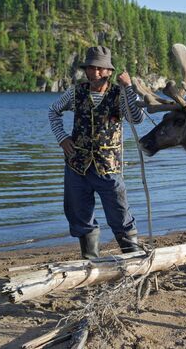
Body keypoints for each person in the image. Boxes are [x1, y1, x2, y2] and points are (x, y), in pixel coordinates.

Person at [48, 45, 144, 259]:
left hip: (109, 167)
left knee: (120, 214)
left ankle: (135, 260)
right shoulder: (75, 92)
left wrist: (129, 88)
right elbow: (53, 111)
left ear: (109, 71)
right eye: (91, 68)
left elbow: (137, 119)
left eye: (100, 69)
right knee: (80, 215)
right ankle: (91, 262)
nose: (95, 73)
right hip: (77, 165)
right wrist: (62, 138)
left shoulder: (119, 94)